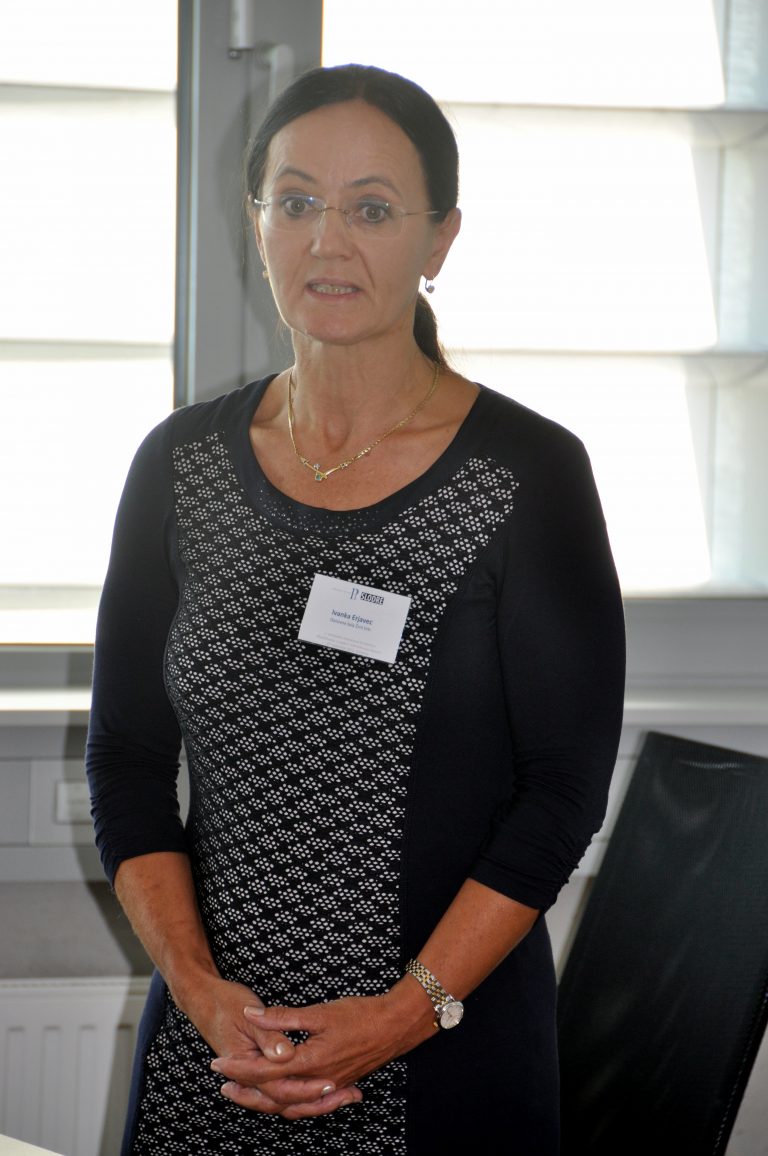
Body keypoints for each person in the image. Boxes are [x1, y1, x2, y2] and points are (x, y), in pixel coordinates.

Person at [86, 63, 625, 1156]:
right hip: (216, 1054)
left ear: (440, 240)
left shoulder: (528, 475)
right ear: (256, 224)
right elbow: (128, 760)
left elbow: (562, 794)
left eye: (372, 210)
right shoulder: (180, 466)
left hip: (443, 1054)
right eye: (296, 202)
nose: (327, 241)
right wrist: (199, 992)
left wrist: (399, 1016)